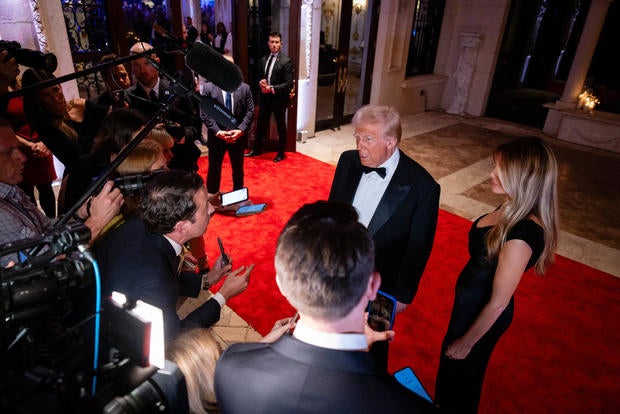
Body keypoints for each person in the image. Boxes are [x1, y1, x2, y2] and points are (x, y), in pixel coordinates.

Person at [214, 200, 437, 413]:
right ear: (372, 286)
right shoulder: (407, 407)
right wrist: (359, 348)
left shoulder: (230, 365)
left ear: (282, 285)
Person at [434, 136, 559, 414]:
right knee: (451, 375)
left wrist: (468, 341)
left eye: (500, 169)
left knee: (461, 380)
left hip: (482, 314)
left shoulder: (522, 234)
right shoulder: (510, 206)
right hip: (470, 305)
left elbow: (499, 302)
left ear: (522, 177)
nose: (491, 173)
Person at [94, 169, 252, 340]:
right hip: (108, 342)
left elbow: (165, 276)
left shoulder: (141, 223)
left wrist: (208, 279)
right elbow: (173, 336)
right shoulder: (154, 279)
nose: (212, 209)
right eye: (205, 206)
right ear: (182, 226)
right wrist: (224, 295)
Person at [329, 105, 440, 313]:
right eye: (357, 137)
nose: (359, 146)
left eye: (368, 139)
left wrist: (403, 296)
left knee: (370, 344)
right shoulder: (347, 161)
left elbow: (418, 247)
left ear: (390, 141)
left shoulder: (423, 187)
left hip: (379, 284)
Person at [0, 118, 123, 267]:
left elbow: (45, 229)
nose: (23, 157)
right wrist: (97, 221)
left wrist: (79, 214)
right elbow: (48, 264)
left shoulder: (11, 190)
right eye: (8, 153)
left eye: (18, 148)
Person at [21, 68, 109, 213]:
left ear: (60, 86)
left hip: (106, 172)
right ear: (37, 101)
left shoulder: (80, 104)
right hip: (83, 184)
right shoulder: (45, 126)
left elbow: (115, 118)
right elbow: (81, 157)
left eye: (56, 90)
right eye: (45, 95)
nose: (55, 98)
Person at [127, 42, 201, 172]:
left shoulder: (178, 91)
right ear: (131, 68)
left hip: (183, 164)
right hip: (147, 169)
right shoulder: (128, 97)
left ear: (157, 62)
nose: (142, 70)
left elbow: (195, 128)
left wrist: (180, 136)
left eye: (147, 63)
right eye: (136, 65)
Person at [200, 55, 254, 194]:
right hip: (216, 136)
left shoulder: (244, 88)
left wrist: (241, 130)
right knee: (214, 169)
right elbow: (205, 112)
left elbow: (250, 111)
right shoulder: (208, 88)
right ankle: (211, 198)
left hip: (238, 136)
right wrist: (218, 131)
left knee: (238, 169)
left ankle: (238, 197)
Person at [246, 31, 294, 162]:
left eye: (277, 42)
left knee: (280, 126)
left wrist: (271, 88)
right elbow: (260, 77)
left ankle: (281, 152)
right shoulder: (263, 59)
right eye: (272, 42)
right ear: (268, 43)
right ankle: (256, 150)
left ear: (281, 44)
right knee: (261, 123)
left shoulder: (286, 61)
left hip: (279, 99)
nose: (274, 45)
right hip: (265, 98)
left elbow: (288, 84)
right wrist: (261, 83)